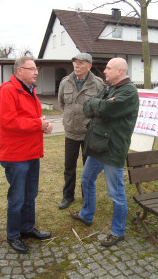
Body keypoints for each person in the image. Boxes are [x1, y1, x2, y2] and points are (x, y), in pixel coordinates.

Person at [70, 57, 139, 247]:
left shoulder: (128, 92)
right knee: (86, 179)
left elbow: (105, 109)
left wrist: (101, 104)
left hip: (113, 149)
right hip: (99, 145)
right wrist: (100, 103)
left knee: (116, 192)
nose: (104, 71)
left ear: (119, 71)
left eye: (108, 68)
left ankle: (118, 231)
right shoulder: (109, 88)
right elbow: (88, 105)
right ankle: (86, 215)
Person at [0, 57, 53, 254]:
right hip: (16, 156)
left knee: (30, 195)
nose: (36, 72)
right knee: (17, 198)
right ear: (19, 71)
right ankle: (13, 234)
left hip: (31, 153)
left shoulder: (29, 90)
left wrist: (43, 126)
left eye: (36, 69)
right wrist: (38, 124)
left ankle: (27, 228)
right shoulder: (8, 90)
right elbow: (8, 121)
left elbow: (31, 119)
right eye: (32, 69)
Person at [58, 53, 103, 209]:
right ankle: (68, 196)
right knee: (69, 167)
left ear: (89, 66)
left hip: (88, 133)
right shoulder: (65, 82)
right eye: (75, 63)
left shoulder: (97, 84)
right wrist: (67, 119)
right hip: (70, 132)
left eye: (81, 63)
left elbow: (100, 107)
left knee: (88, 168)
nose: (77, 66)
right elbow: (61, 104)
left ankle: (87, 197)